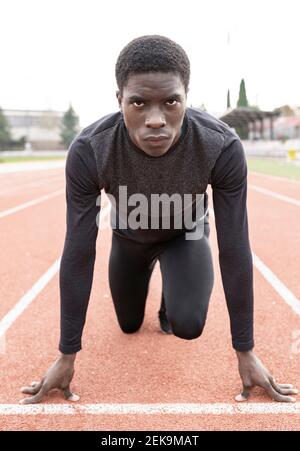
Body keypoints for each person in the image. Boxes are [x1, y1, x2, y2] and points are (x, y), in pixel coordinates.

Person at [20, 35, 298, 404]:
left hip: (185, 236)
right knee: (129, 324)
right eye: (138, 102)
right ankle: (148, 279)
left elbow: (234, 247)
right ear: (119, 100)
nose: (155, 119)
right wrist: (66, 354)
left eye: (171, 102)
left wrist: (245, 350)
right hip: (129, 239)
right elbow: (78, 250)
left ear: (187, 96)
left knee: (186, 324)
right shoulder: (91, 150)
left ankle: (172, 292)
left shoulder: (221, 145)